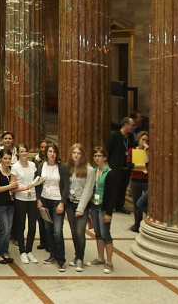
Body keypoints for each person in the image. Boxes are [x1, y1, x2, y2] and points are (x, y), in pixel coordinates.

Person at [35, 142, 70, 272]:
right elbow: (38, 183)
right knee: (48, 229)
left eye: (54, 152)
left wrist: (62, 202)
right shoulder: (42, 166)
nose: (52, 154)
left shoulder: (62, 167)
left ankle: (61, 260)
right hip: (45, 200)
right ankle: (53, 255)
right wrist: (38, 199)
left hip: (57, 201)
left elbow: (66, 186)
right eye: (50, 151)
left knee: (57, 231)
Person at [65, 143, 96, 272]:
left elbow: (88, 190)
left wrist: (81, 208)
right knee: (73, 231)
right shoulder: (67, 168)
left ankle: (80, 259)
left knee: (80, 232)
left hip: (81, 205)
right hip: (70, 204)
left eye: (78, 153)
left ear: (82, 155)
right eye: (74, 153)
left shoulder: (89, 170)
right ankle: (77, 255)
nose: (76, 155)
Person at [88, 146, 118, 274]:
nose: (97, 158)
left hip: (104, 207)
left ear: (105, 157)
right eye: (95, 156)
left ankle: (109, 262)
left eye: (99, 156)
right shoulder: (94, 171)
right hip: (94, 206)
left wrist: (109, 213)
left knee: (106, 234)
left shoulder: (110, 173)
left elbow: (113, 195)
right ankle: (100, 258)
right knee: (98, 233)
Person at [10, 144, 39, 264]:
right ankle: (22, 251)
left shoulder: (32, 165)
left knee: (32, 226)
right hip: (21, 199)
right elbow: (12, 188)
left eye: (26, 151)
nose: (24, 154)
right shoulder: (15, 167)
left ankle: (29, 250)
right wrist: (25, 188)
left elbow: (36, 180)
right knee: (21, 226)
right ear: (18, 153)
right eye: (21, 151)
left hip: (32, 198)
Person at [0, 148, 18, 264]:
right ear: (0, 159)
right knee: (4, 228)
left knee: (8, 229)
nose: (7, 161)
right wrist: (9, 186)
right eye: (5, 158)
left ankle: (5, 251)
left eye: (9, 158)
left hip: (10, 204)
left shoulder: (11, 170)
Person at [105, 116, 135, 214]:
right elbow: (107, 149)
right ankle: (110, 205)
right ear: (126, 125)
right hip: (116, 167)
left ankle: (120, 206)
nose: (133, 127)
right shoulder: (115, 136)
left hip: (126, 167)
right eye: (132, 125)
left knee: (123, 188)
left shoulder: (130, 137)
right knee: (114, 188)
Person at [128, 131, 149, 232]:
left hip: (146, 180)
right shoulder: (132, 150)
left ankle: (147, 224)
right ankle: (137, 225)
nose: (144, 142)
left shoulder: (149, 151)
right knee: (136, 204)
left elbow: (148, 163)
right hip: (135, 180)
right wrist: (143, 165)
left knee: (146, 203)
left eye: (146, 140)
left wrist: (145, 151)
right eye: (143, 140)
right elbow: (130, 165)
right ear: (138, 140)